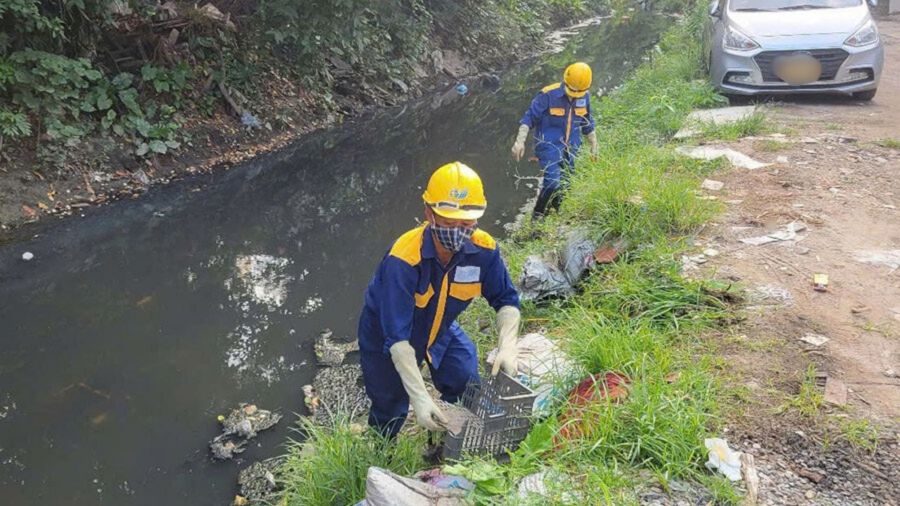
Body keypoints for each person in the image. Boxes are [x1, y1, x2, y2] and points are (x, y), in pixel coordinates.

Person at [357, 162, 521, 438]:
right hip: (387, 337)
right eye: (448, 223)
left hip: (440, 328)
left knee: (466, 379)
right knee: (389, 404)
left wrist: (507, 346)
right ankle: (381, 451)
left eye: (466, 224)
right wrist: (420, 398)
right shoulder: (404, 259)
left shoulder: (484, 251)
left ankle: (452, 435)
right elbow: (397, 340)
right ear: (429, 214)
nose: (458, 231)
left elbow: (506, 300)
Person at [511, 62, 599, 218]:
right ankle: (538, 214)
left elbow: (586, 120)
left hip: (571, 147)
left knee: (566, 184)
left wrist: (594, 144)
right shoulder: (547, 95)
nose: (574, 95)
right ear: (565, 81)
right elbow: (529, 118)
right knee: (552, 182)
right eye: (571, 91)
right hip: (548, 146)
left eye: (578, 93)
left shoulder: (584, 96)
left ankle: (554, 211)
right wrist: (519, 141)